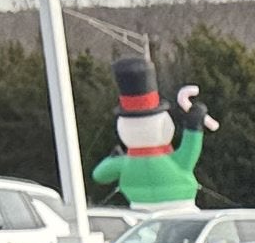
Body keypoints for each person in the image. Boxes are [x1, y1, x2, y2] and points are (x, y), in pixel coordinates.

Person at [92, 55, 219, 209]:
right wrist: (194, 126)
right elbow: (190, 148)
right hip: (181, 210)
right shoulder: (174, 162)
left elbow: (100, 175)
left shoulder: (125, 163)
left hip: (140, 212)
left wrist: (112, 160)